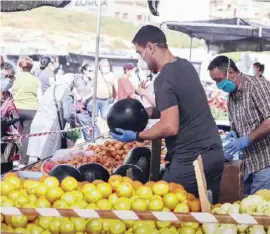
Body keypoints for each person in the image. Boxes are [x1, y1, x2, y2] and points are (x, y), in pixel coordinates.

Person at [110, 25, 224, 204]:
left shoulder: (164, 78)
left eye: (140, 53)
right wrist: (144, 113)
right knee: (204, 214)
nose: (142, 60)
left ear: (150, 47)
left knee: (167, 210)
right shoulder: (185, 65)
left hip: (191, 159)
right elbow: (182, 104)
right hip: (214, 154)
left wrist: (138, 135)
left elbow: (170, 126)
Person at [208, 56, 270, 196]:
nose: (218, 85)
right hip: (249, 162)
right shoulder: (231, 96)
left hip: (266, 162)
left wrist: (248, 138)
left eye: (219, 80)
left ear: (230, 72)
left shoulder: (256, 86)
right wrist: (233, 134)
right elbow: (237, 124)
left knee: (259, 212)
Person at [27, 74, 77, 161]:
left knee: (36, 157)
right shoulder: (67, 91)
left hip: (38, 122)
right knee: (48, 158)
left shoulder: (51, 88)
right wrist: (74, 125)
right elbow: (68, 115)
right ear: (71, 83)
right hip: (51, 126)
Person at [12, 56, 42, 165]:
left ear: (20, 66)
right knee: (26, 135)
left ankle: (13, 159)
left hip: (16, 109)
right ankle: (23, 161)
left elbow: (10, 92)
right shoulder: (35, 80)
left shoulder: (15, 78)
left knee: (14, 134)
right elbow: (40, 97)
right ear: (31, 67)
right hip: (32, 110)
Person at [73, 64, 101, 141]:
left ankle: (93, 138)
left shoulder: (92, 80)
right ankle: (89, 139)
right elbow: (73, 88)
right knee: (84, 123)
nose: (91, 72)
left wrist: (85, 98)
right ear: (84, 71)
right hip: (79, 104)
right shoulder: (77, 79)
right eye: (89, 70)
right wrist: (78, 96)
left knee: (90, 122)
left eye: (92, 71)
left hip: (89, 103)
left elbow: (93, 91)